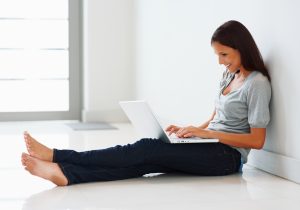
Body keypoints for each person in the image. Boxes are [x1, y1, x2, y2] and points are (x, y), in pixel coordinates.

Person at [21, 20, 271, 186]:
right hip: (211, 145)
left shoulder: (257, 83)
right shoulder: (230, 75)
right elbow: (217, 116)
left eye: (224, 54)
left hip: (227, 158)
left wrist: (206, 133)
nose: (220, 62)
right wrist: (191, 131)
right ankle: (66, 174)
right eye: (217, 55)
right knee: (145, 162)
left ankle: (57, 155)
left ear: (242, 48)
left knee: (146, 148)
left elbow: (257, 141)